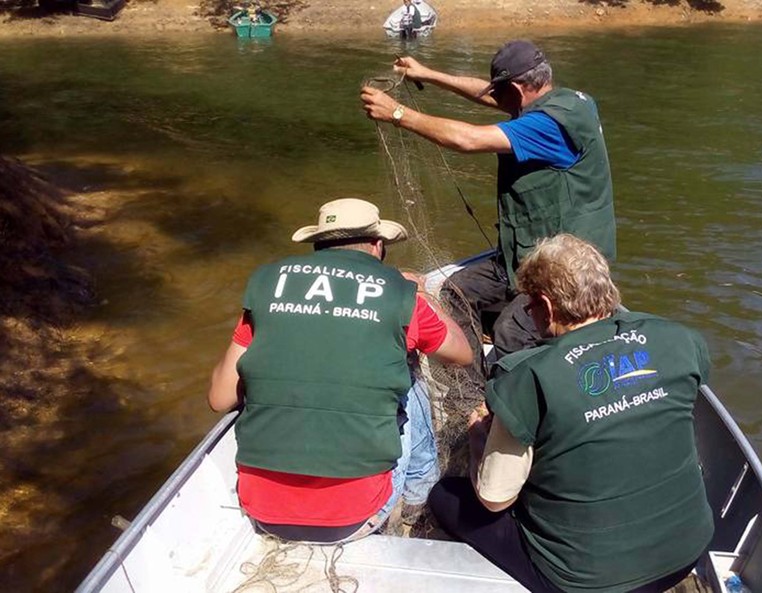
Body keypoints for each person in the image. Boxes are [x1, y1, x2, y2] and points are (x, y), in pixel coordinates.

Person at [428, 234, 714, 593]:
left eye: (528, 306)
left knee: (445, 496)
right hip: (688, 549)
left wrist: (477, 436)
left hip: (584, 581)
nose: (529, 315)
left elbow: (494, 497)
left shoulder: (527, 377)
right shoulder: (679, 338)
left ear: (546, 307)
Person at [207, 198, 472, 543]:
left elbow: (219, 397)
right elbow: (462, 354)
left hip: (261, 510)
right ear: (378, 246)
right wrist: (420, 293)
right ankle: (418, 500)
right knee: (410, 377)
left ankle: (416, 494)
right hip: (357, 514)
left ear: (317, 244)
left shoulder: (268, 284)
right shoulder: (400, 296)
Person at [360, 39, 617, 373]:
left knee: (510, 332)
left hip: (565, 266)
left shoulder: (547, 126)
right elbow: (489, 92)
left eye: (501, 92)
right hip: (525, 254)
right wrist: (428, 74)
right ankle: (471, 386)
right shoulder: (569, 101)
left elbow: (468, 139)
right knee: (455, 294)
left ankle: (497, 408)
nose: (495, 98)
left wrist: (397, 113)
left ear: (516, 87)